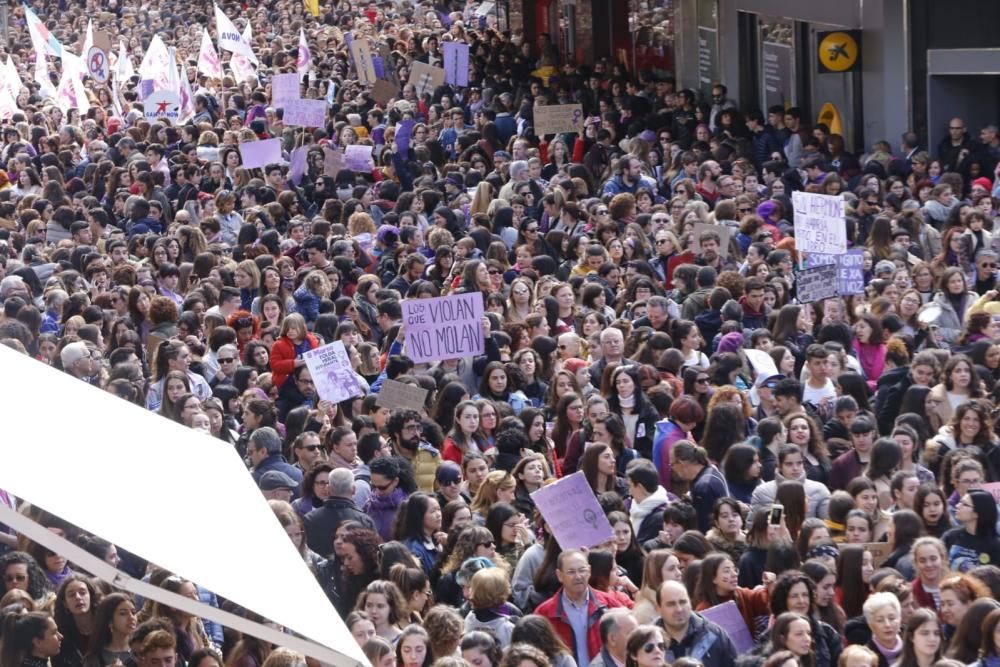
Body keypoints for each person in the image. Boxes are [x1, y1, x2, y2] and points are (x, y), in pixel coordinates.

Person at [534, 550, 628, 666]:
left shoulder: (609, 605)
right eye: (571, 572)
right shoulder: (544, 614)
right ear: (559, 575)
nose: (578, 576)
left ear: (589, 571)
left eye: (582, 570)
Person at [655, 580, 737, 667]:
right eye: (671, 604)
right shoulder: (649, 643)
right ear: (658, 608)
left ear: (690, 603)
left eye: (683, 602)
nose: (679, 609)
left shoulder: (715, 636)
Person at [304, 468, 376, 557]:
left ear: (328, 489)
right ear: (353, 490)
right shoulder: (365, 521)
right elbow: (373, 554)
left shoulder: (309, 519)